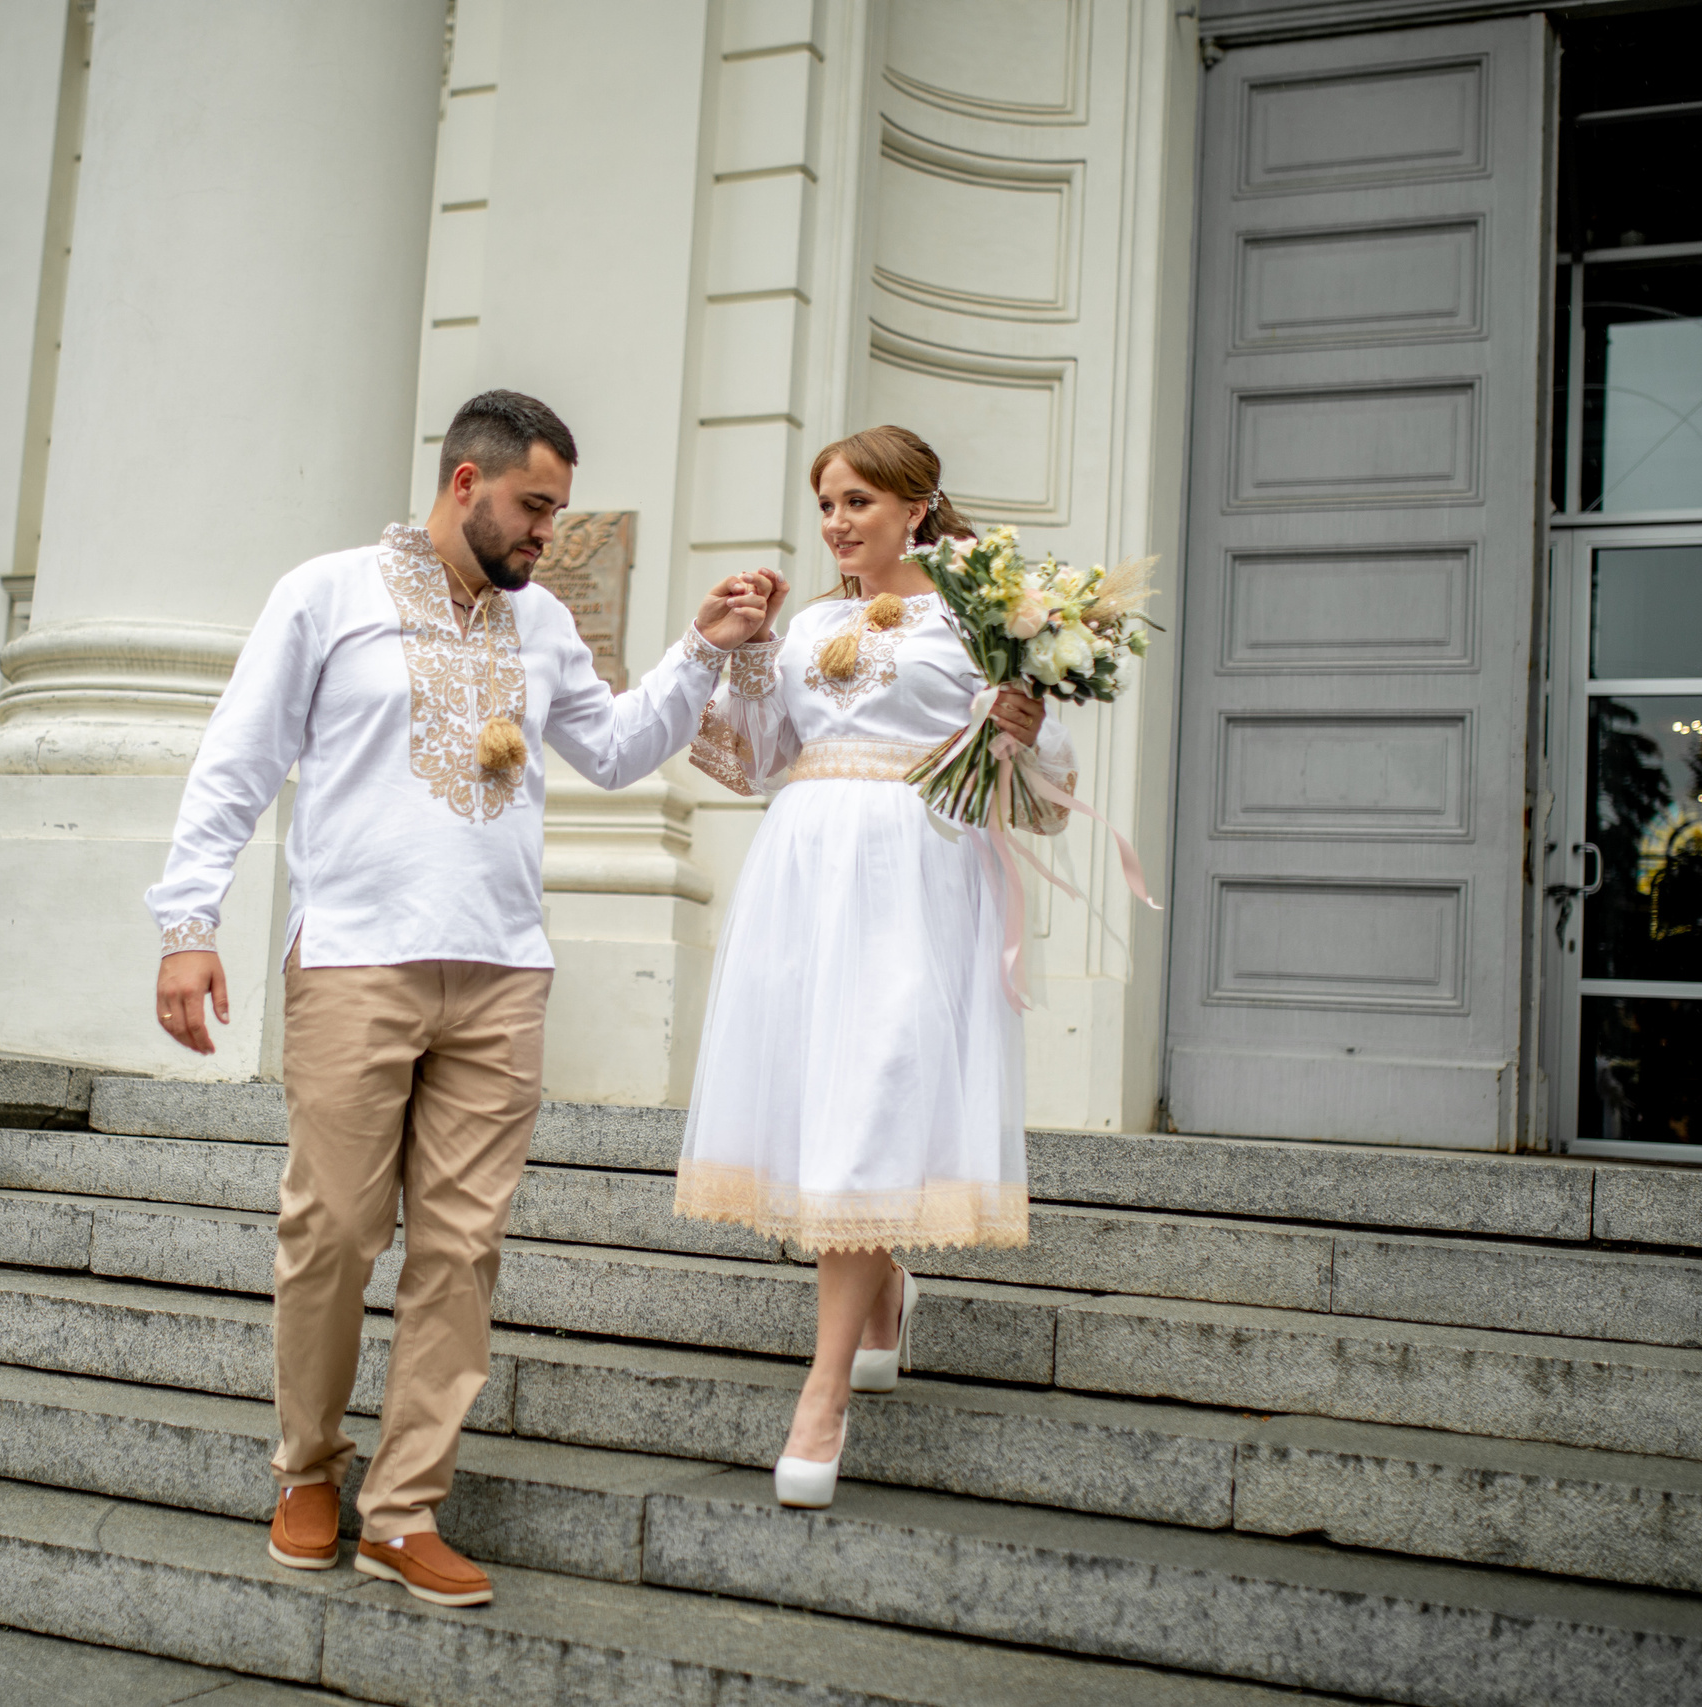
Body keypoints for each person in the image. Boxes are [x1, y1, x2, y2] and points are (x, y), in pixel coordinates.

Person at [146, 390, 771, 1605]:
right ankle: (307, 1468)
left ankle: (403, 1507)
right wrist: (187, 925)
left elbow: (616, 748)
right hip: (357, 962)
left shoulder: (539, 628)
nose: (547, 532)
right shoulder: (326, 593)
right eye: (535, 506)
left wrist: (699, 648)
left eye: (559, 511)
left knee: (461, 1248)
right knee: (330, 1229)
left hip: (502, 974)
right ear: (464, 483)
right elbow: (239, 756)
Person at [674, 424, 1074, 1508]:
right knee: (824, 1095)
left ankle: (821, 1392)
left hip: (917, 875)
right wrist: (750, 654)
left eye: (856, 502)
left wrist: (1025, 730)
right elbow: (758, 762)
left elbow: (1047, 788)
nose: (837, 524)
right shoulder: (808, 622)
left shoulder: (985, 623)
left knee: (874, 1091)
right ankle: (882, 1286)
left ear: (915, 507)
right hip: (805, 873)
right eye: (826, 506)